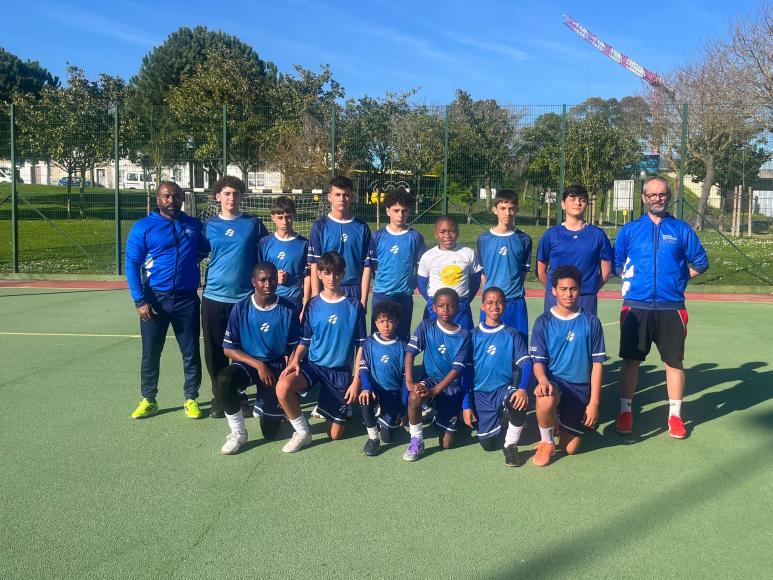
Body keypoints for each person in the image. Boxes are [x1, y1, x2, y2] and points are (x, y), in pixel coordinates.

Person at [614, 176, 709, 439]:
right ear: (644, 198)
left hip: (671, 307)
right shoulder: (630, 230)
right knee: (631, 361)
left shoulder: (681, 229)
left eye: (662, 194)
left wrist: (678, 279)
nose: (657, 198)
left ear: (668, 197)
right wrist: (634, 283)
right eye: (652, 194)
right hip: (636, 306)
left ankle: (675, 416)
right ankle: (625, 411)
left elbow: (701, 261)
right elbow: (617, 263)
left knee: (673, 362)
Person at [125, 182, 208, 419]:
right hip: (155, 301)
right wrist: (139, 301)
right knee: (151, 353)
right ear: (158, 199)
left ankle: (191, 398)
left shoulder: (193, 225)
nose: (171, 200)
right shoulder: (143, 227)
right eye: (166, 196)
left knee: (191, 352)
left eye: (176, 196)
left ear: (182, 198)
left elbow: (203, 249)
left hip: (187, 300)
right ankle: (148, 399)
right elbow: (132, 264)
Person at [275, 251, 367, 453]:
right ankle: (302, 432)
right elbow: (305, 340)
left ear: (343, 274)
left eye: (335, 273)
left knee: (334, 435)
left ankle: (340, 405)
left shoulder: (354, 306)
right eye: (326, 273)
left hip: (340, 372)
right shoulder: (313, 304)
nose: (331, 278)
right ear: (319, 275)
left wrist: (356, 381)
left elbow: (361, 345)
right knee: (282, 387)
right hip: (314, 366)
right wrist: (295, 360)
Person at [216, 262, 301, 454]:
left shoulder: (288, 308)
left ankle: (267, 406)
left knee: (270, 433)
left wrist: (287, 378)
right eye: (262, 279)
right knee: (225, 379)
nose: (268, 283)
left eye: (272, 279)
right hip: (249, 362)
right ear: (253, 281)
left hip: (277, 366)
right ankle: (238, 432)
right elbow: (228, 349)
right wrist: (259, 365)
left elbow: (294, 348)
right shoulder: (241, 307)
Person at [202, 176, 268, 418]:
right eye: (227, 193)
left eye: (236, 194)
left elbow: (267, 252)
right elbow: (195, 253)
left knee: (244, 348)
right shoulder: (208, 226)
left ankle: (239, 392)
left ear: (242, 197)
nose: (232, 198)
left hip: (243, 299)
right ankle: (219, 397)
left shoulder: (253, 224)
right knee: (215, 349)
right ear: (218, 197)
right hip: (213, 297)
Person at [529, 265, 607, 467]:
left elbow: (598, 365)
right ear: (553, 290)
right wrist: (543, 380)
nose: (568, 294)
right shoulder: (543, 321)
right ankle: (546, 441)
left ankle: (561, 419)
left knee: (570, 448)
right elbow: (538, 361)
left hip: (580, 389)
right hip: (555, 382)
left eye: (572, 288)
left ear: (579, 290)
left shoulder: (591, 322)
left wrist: (594, 403)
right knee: (545, 397)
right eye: (563, 289)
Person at [463, 287, 532, 467]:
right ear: (482, 306)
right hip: (481, 393)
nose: (495, 305)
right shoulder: (472, 336)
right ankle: (499, 418)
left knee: (517, 402)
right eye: (490, 302)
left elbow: (526, 363)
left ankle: (510, 445)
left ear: (505, 305)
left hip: (503, 389)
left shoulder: (511, 333)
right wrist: (466, 405)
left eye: (499, 301)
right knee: (488, 444)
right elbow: (466, 373)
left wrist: (523, 388)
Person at [403, 288, 472, 461]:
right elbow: (410, 353)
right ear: (434, 308)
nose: (445, 310)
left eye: (450, 306)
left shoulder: (464, 336)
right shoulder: (427, 326)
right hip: (430, 380)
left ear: (457, 308)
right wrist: (410, 382)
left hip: (450, 386)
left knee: (446, 444)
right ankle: (417, 440)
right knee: (414, 396)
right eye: (441, 306)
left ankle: (443, 414)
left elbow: (456, 370)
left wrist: (435, 392)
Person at [537, 184, 612, 315]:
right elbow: (541, 271)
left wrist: (588, 289)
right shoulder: (550, 235)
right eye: (572, 199)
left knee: (585, 335)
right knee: (555, 335)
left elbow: (605, 273)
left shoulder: (597, 235)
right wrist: (556, 290)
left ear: (587, 204)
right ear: (562, 204)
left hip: (586, 299)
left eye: (582, 200)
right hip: (555, 299)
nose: (577, 203)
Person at [368, 188, 426, 342]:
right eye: (396, 210)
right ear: (387, 211)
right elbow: (372, 267)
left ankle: (402, 367)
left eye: (404, 211)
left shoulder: (415, 237)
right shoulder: (378, 236)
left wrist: (411, 284)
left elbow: (421, 268)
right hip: (381, 295)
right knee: (378, 338)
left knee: (401, 338)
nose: (400, 215)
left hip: (404, 297)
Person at [308, 175, 372, 310]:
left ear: (351, 197)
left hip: (353, 288)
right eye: (337, 194)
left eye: (346, 195)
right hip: (327, 288)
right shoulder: (320, 226)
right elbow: (315, 264)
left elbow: (367, 266)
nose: (342, 199)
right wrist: (314, 297)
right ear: (329, 196)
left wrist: (364, 299)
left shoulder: (362, 227)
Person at [476, 189, 532, 339]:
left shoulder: (524, 239)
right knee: (489, 345)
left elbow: (522, 273)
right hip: (491, 303)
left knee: (518, 347)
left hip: (515, 302)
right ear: (495, 210)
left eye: (511, 208)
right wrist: (487, 296)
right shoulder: (484, 239)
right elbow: (483, 274)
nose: (507, 213)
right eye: (502, 208)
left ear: (517, 211)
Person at [358, 300, 408, 457]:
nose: (386, 325)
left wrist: (403, 408)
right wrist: (367, 387)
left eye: (390, 321)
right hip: (374, 392)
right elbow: (364, 368)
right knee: (365, 398)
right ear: (376, 323)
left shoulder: (403, 347)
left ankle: (382, 419)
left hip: (393, 395)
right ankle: (373, 438)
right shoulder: (369, 342)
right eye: (381, 321)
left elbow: (406, 380)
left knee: (388, 437)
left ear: (397, 322)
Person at [417, 215, 482, 330]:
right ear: (436, 234)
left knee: (464, 340)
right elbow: (422, 284)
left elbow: (475, 281)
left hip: (461, 306)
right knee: (433, 340)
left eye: (451, 231)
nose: (447, 235)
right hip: (435, 307)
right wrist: (435, 302)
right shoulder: (428, 256)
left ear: (458, 233)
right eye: (442, 232)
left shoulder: (468, 253)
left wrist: (464, 300)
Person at [259, 196, 311, 313]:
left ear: (294, 216)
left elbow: (307, 276)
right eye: (280, 217)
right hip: (269, 299)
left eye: (288, 217)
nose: (284, 222)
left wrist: (305, 304)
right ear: (273, 218)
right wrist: (274, 276)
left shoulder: (304, 244)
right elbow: (259, 272)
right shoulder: (265, 243)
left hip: (293, 300)